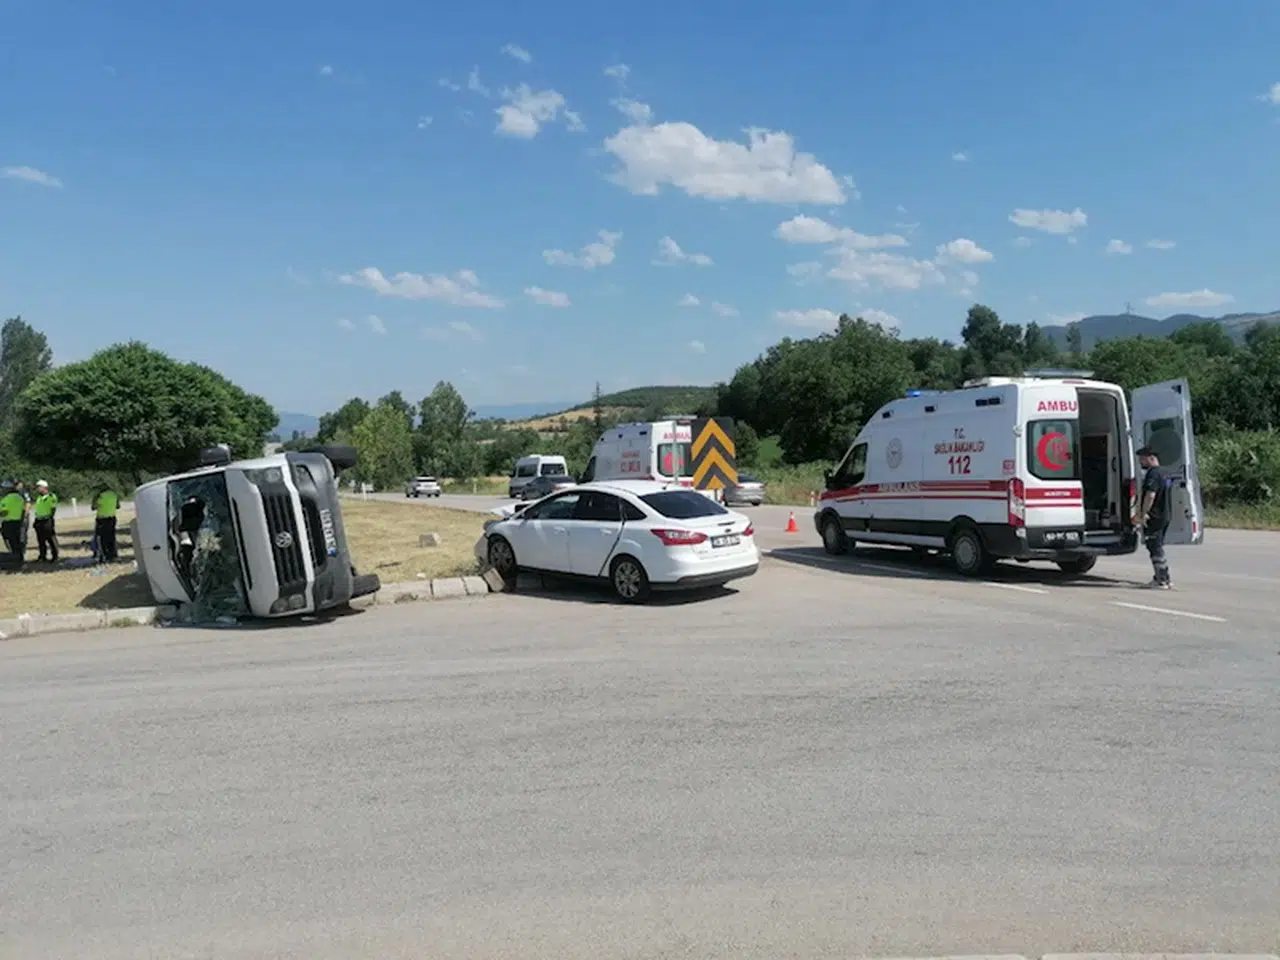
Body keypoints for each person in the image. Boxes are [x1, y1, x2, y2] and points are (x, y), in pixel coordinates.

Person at [1135, 445, 1173, 589]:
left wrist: (1143, 513)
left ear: (1151, 458)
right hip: (1165, 515)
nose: (1141, 462)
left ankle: (1161, 580)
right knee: (1158, 546)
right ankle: (1163, 577)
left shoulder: (1153, 474)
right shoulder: (1165, 473)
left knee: (1155, 547)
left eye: (1142, 459)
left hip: (1155, 516)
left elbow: (1151, 495)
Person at [32, 479, 60, 563]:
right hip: (39, 520)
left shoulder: (51, 496)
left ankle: (55, 555)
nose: (37, 489)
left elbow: (53, 508)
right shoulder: (39, 498)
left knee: (50, 538)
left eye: (39, 487)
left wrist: (50, 519)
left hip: (47, 519)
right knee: (40, 539)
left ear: (44, 487)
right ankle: (42, 556)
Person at [92, 485, 120, 563]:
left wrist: (94, 499)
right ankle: (113, 555)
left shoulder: (100, 496)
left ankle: (103, 556)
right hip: (112, 518)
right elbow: (118, 506)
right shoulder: (114, 495)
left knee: (101, 539)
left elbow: (93, 507)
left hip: (102, 519)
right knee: (112, 537)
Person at [0, 481, 26, 563]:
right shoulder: (20, 498)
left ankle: (13, 560)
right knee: (17, 542)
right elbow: (23, 510)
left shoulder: (6, 499)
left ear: (6, 489)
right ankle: (20, 560)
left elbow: (4, 512)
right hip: (18, 522)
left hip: (8, 523)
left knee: (10, 542)